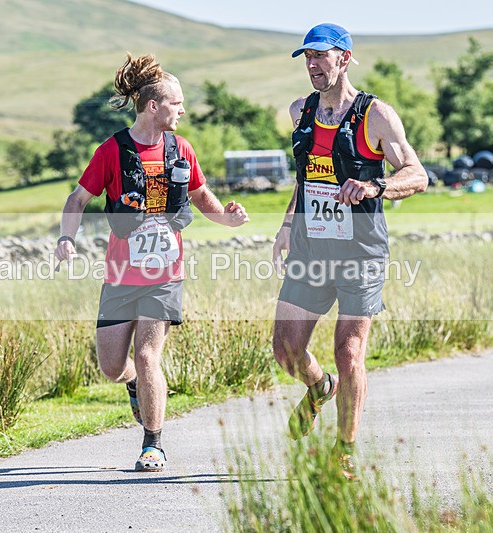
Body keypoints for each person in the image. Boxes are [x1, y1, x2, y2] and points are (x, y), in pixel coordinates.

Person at [55, 53, 249, 472]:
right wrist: (66, 239)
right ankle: (133, 388)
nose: (182, 109)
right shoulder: (112, 151)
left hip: (166, 273)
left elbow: (200, 196)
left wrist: (227, 217)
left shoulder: (182, 149)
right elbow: (77, 199)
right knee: (112, 367)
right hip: (121, 274)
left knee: (148, 357)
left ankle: (153, 444)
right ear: (153, 106)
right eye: (176, 103)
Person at [271, 23, 427, 479]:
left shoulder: (376, 115)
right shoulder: (300, 111)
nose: (313, 65)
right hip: (309, 246)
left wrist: (376, 185)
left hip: (360, 251)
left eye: (321, 56)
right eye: (307, 57)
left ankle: (345, 450)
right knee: (286, 350)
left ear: (345, 58)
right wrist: (285, 225)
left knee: (350, 351)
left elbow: (418, 174)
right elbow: (307, 179)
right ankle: (320, 388)